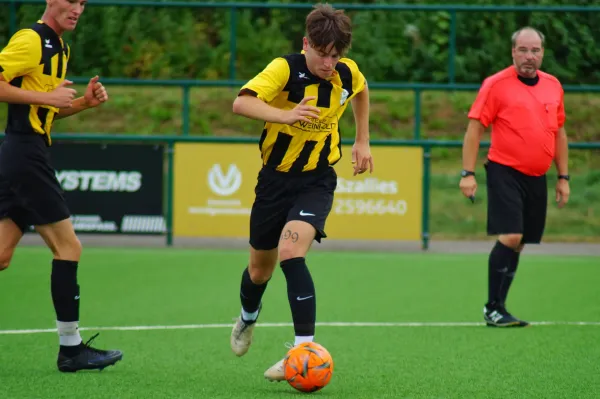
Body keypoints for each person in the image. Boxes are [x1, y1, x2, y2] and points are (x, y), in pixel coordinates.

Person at [229, 3, 373, 381]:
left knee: (292, 252)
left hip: (317, 179)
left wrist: (362, 141)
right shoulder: (284, 69)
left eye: (335, 56)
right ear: (306, 43)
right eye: (322, 54)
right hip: (275, 181)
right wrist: (285, 115)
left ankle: (302, 349)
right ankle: (247, 317)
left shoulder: (345, 71)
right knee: (260, 271)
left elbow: (361, 89)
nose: (329, 63)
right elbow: (241, 102)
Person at [0, 0, 123, 371]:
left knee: (2, 254)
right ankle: (71, 350)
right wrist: (45, 97)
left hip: (22, 153)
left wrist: (83, 102)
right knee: (69, 246)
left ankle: (72, 350)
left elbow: (46, 108)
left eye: (84, 3)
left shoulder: (59, 46)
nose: (78, 9)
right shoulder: (32, 39)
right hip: (24, 154)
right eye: (72, 1)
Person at [460, 27, 570, 327]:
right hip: (504, 170)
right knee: (511, 236)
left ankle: (500, 308)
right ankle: (492, 307)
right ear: (513, 52)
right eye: (523, 50)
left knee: (520, 242)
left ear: (542, 53)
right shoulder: (496, 85)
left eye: (535, 50)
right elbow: (474, 129)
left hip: (537, 176)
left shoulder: (553, 86)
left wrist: (563, 176)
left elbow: (559, 132)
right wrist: (467, 173)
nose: (529, 56)